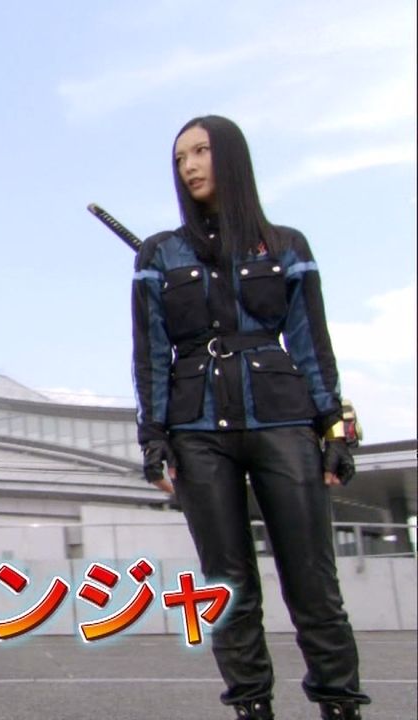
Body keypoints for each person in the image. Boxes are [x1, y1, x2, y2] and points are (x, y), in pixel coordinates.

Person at [131, 115, 370, 720]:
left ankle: (340, 704)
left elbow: (310, 341)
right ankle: (251, 706)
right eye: (180, 157)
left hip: (282, 420)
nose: (189, 166)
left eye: (201, 151)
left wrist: (333, 426)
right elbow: (151, 353)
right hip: (196, 430)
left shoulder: (286, 245)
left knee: (313, 580)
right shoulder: (161, 253)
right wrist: (153, 437)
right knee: (228, 586)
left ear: (231, 156)